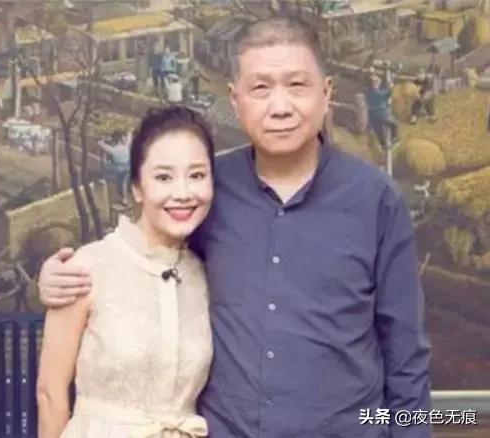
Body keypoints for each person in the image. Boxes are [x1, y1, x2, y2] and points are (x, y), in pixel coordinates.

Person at [39, 15, 432, 438]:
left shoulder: (375, 200)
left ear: (327, 92)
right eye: (261, 88)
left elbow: (406, 357)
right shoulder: (206, 191)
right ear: (235, 99)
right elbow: (141, 258)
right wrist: (57, 276)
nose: (280, 107)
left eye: (297, 85)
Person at [37, 106, 216, 438]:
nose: (183, 193)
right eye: (163, 177)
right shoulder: (86, 268)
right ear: (137, 187)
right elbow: (50, 393)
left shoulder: (205, 273)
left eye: (196, 175)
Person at [365, 74, 400, 151]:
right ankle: (395, 140)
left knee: (379, 132)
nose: (377, 85)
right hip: (381, 114)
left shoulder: (368, 93)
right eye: (376, 83)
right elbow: (388, 93)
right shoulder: (378, 93)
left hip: (372, 116)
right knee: (395, 124)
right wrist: (391, 85)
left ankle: (382, 145)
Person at [98, 130, 132, 205]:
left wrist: (103, 139)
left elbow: (100, 144)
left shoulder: (113, 150)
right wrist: (129, 132)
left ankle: (103, 178)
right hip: (127, 168)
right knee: (122, 183)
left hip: (117, 168)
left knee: (106, 164)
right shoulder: (126, 146)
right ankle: (124, 199)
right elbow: (129, 137)